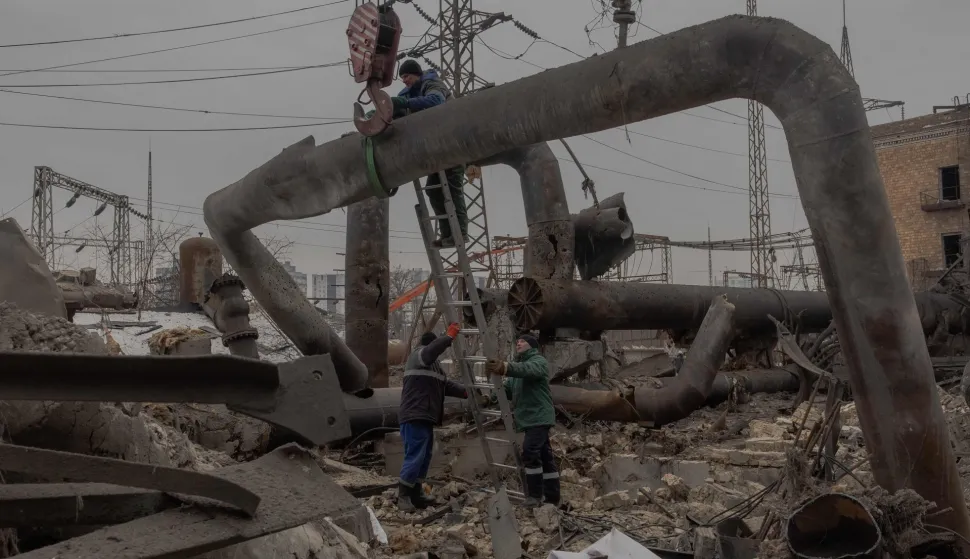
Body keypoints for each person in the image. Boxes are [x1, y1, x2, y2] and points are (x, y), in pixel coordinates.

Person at [391, 59, 468, 248]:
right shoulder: (408, 92)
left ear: (416, 74)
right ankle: (447, 234)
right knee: (434, 192)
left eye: (407, 76)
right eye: (402, 77)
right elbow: (398, 111)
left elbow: (436, 101)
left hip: (453, 143)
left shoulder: (433, 84)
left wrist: (406, 103)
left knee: (453, 188)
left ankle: (461, 233)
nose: (404, 80)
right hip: (436, 150)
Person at [397, 323, 470, 511]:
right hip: (415, 414)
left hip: (426, 416)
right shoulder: (419, 356)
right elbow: (431, 352)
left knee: (424, 457)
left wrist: (467, 392)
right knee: (415, 455)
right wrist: (449, 337)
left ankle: (416, 493)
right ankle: (403, 495)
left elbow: (446, 385)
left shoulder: (434, 366)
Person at [486, 334, 559, 508]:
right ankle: (552, 497)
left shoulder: (538, 361)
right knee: (544, 456)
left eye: (523, 341)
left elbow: (529, 370)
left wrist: (505, 367)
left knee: (530, 451)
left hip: (539, 416)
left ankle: (534, 496)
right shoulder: (516, 371)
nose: (518, 343)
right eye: (517, 341)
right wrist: (490, 398)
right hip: (530, 418)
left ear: (532, 346)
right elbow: (508, 390)